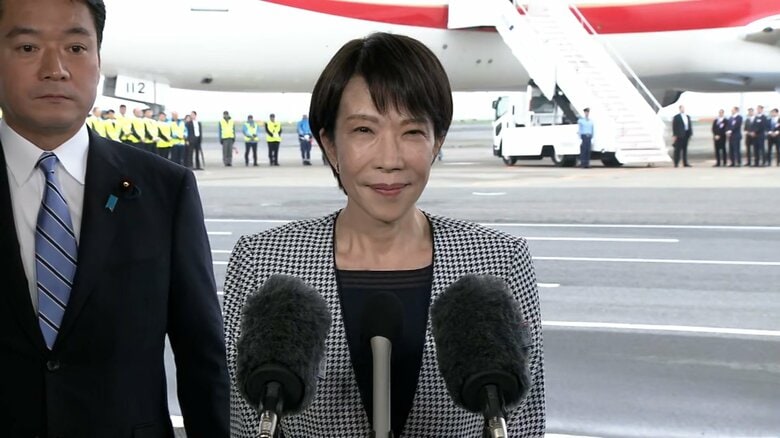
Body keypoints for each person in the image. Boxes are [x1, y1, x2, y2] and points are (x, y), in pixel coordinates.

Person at [223, 32, 545, 438]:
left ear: (437, 142)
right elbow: (244, 423)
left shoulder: (500, 261)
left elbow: (523, 424)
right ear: (330, 144)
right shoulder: (262, 262)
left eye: (412, 132)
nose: (390, 160)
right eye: (364, 130)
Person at [0, 1, 230, 436]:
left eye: (76, 48)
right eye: (28, 47)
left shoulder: (166, 189)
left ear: (98, 59)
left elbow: (202, 354)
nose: (55, 69)